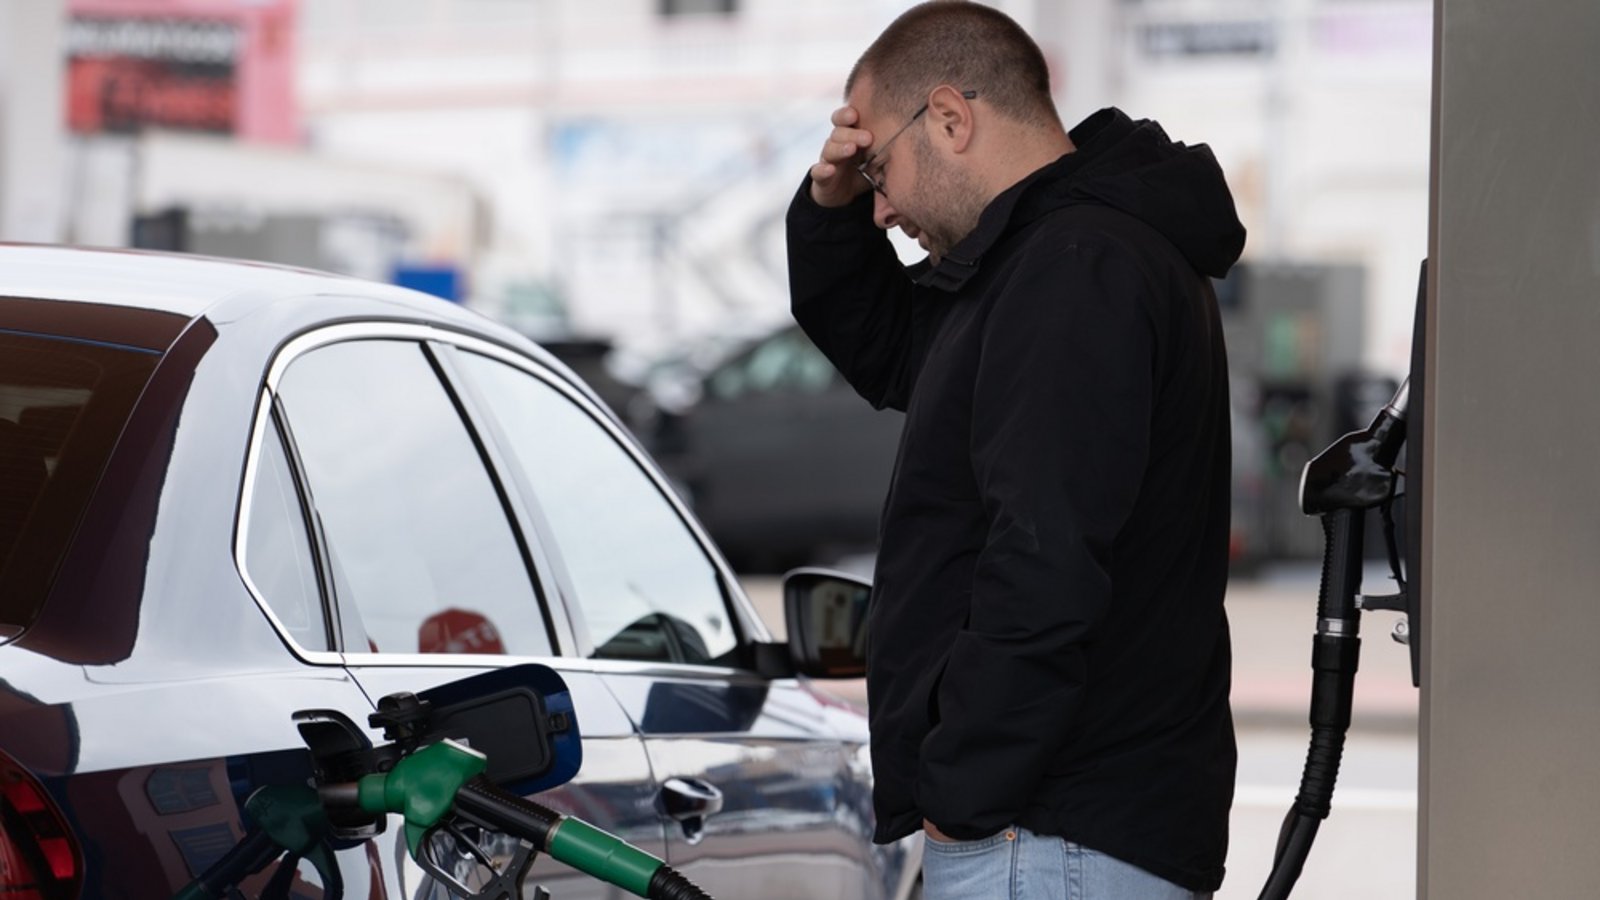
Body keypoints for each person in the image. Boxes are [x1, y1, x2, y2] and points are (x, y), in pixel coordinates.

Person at [785, 3, 1245, 898]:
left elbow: (1043, 557)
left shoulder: (1075, 266)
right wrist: (828, 206)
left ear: (952, 119)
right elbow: (894, 348)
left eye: (879, 168)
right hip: (1062, 831)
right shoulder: (1053, 257)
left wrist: (962, 790)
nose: (880, 208)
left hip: (1050, 832)